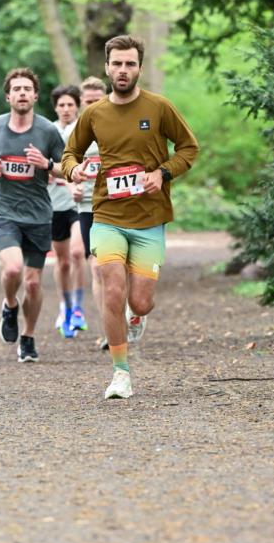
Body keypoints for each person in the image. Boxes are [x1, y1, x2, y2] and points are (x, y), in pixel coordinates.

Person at [62, 35, 199, 399]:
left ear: (139, 67)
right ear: (107, 67)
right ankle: (120, 373)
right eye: (117, 64)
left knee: (139, 301)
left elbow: (189, 147)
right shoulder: (93, 113)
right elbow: (69, 154)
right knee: (111, 291)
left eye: (130, 64)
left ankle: (138, 316)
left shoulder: (159, 108)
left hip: (150, 218)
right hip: (107, 214)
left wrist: (162, 173)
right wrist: (73, 169)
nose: (123, 70)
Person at [0, 67, 64, 362]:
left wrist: (47, 164)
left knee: (35, 282)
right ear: (8, 96)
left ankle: (28, 337)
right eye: (17, 89)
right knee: (13, 270)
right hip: (5, 211)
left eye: (27, 88)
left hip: (38, 214)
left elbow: (69, 168)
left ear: (35, 95)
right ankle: (10, 305)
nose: (22, 93)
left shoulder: (48, 131)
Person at [70, 76, 107, 347]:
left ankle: (126, 313)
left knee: (116, 267)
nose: (92, 105)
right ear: (81, 103)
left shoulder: (117, 127)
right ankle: (110, 328)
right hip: (86, 208)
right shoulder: (76, 132)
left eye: (97, 101)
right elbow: (66, 164)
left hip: (118, 205)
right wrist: (71, 180)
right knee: (96, 268)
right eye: (88, 102)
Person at [48, 85, 87, 338]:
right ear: (55, 108)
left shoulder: (85, 129)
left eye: (70, 105)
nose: (65, 109)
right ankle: (66, 305)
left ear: (77, 106)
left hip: (79, 202)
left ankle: (79, 308)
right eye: (61, 105)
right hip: (54, 204)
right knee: (61, 262)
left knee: (76, 252)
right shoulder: (48, 131)